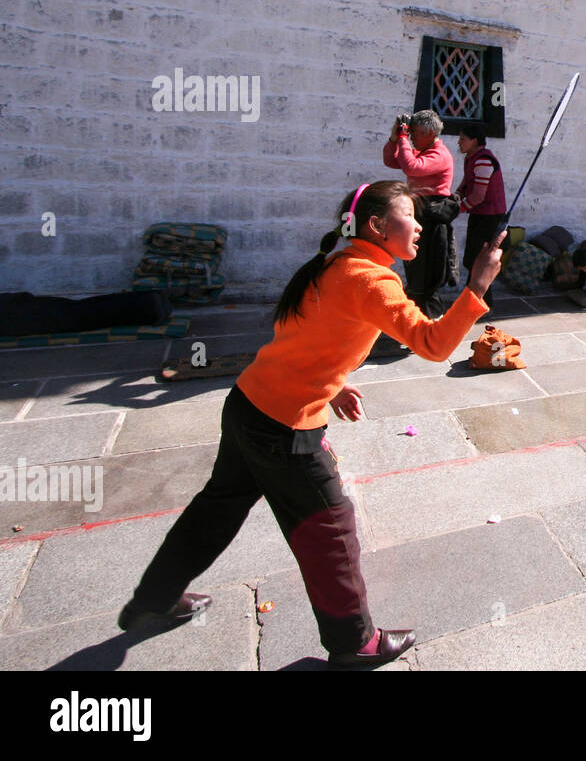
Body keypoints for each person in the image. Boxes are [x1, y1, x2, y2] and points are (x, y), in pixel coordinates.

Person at [118, 181, 504, 667]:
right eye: (411, 216)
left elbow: (300, 332)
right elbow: (431, 345)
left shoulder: (335, 264)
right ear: (377, 226)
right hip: (285, 430)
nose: (421, 227)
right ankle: (356, 644)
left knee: (216, 508)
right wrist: (477, 287)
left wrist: (334, 382)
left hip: (248, 404)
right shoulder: (373, 280)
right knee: (332, 532)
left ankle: (155, 595)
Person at [382, 110, 458, 317]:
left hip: (432, 217)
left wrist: (404, 139)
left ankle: (432, 320)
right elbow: (391, 160)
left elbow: (411, 168)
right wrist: (395, 137)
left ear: (429, 132)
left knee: (427, 271)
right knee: (414, 265)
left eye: (414, 133)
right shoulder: (422, 151)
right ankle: (417, 318)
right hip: (420, 213)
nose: (412, 138)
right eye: (411, 133)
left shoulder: (439, 154)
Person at [456, 124, 507, 309]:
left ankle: (481, 302)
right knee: (472, 258)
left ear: (474, 140)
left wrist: (457, 209)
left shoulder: (483, 160)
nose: (459, 142)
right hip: (479, 214)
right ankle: (472, 300)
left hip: (490, 217)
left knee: (479, 260)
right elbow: (467, 183)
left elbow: (478, 195)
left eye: (463, 138)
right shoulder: (471, 158)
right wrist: (456, 196)